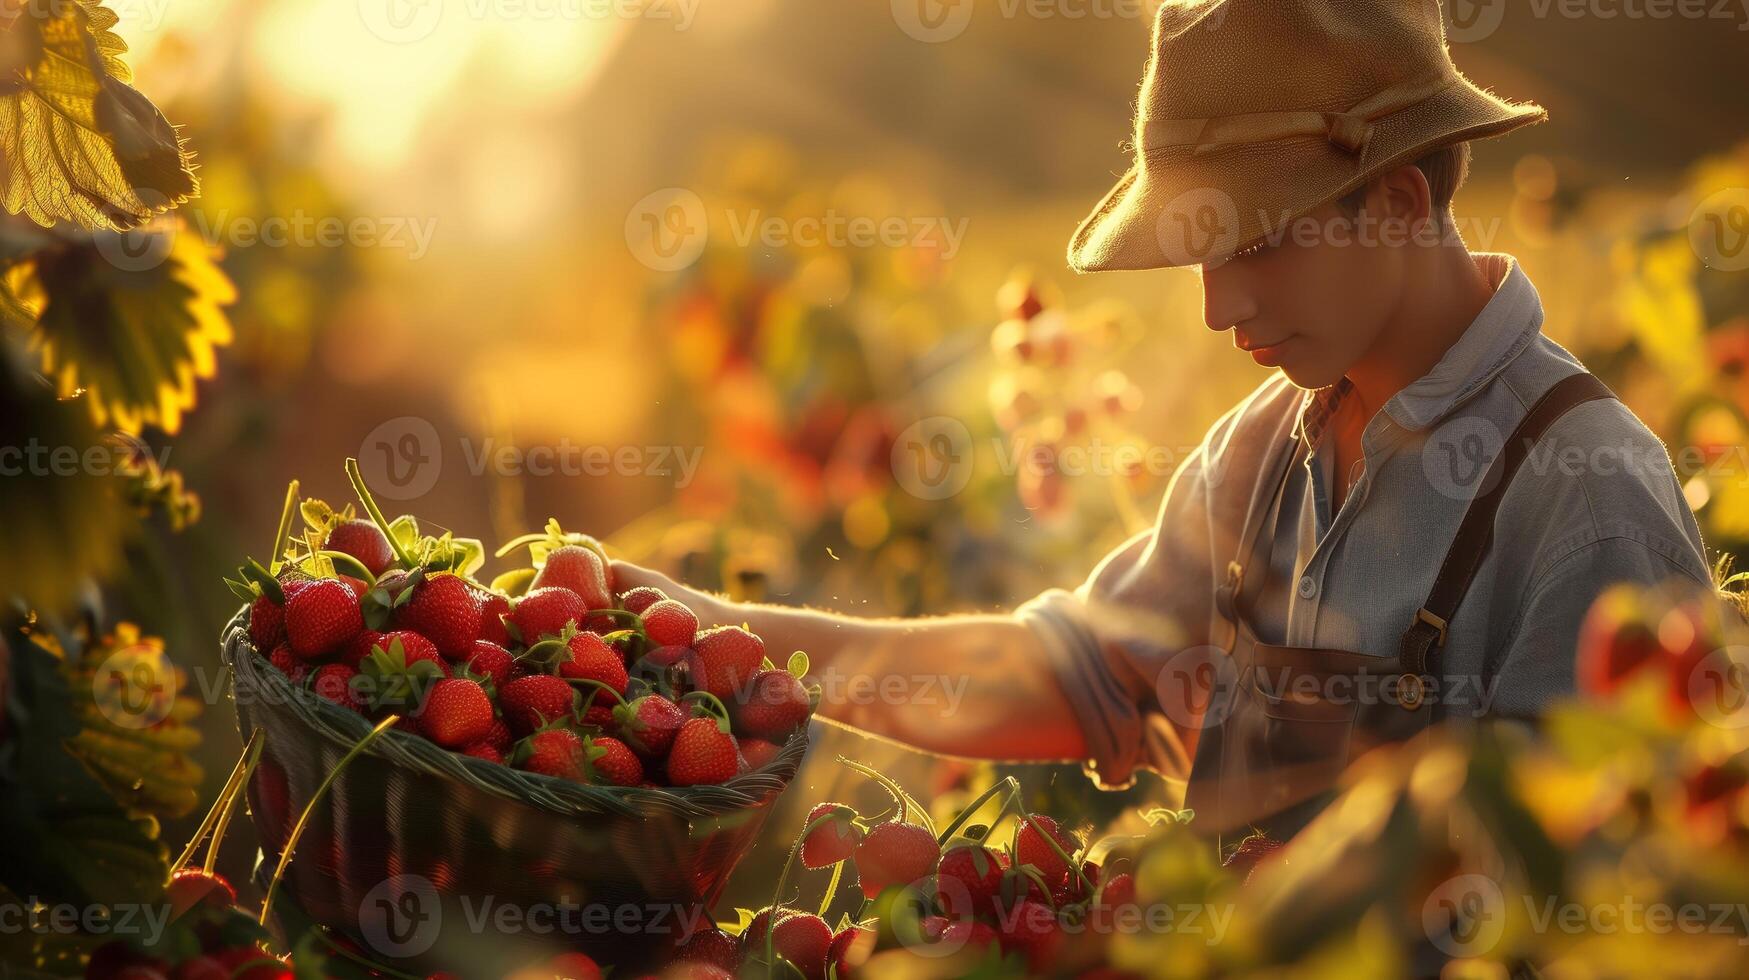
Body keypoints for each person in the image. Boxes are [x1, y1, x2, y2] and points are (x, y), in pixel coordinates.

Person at [614, 0, 1715, 837]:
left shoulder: (1587, 493)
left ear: (1397, 203)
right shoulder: (1260, 453)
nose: (1216, 305)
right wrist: (720, 637)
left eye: (1257, 244)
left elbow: (1606, 884)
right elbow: (1075, 675)